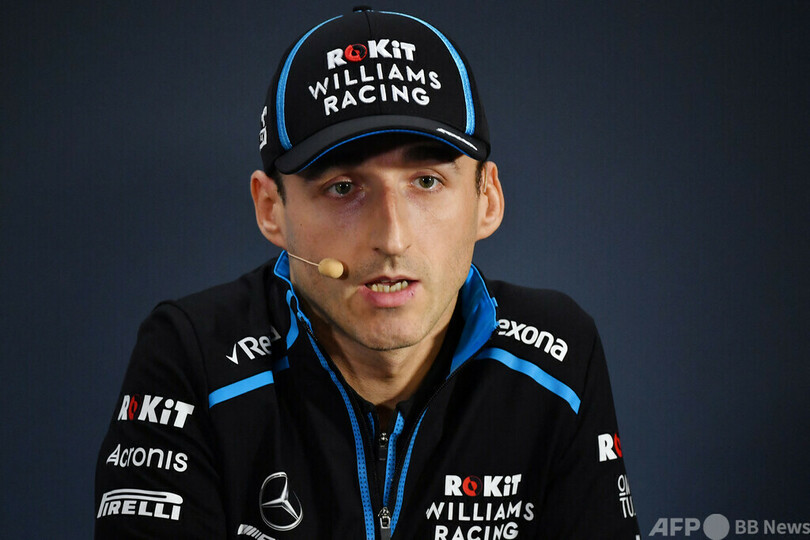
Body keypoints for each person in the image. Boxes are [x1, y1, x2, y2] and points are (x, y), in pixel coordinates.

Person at [95, 7, 640, 539]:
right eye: (343, 188)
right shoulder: (195, 355)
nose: (392, 238)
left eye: (426, 182)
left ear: (488, 199)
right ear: (271, 209)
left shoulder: (556, 359)